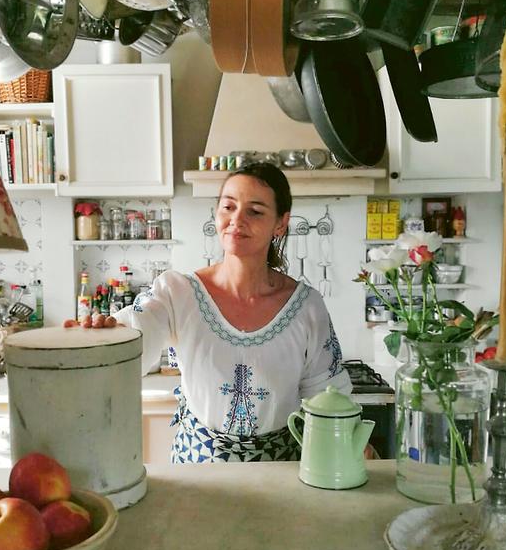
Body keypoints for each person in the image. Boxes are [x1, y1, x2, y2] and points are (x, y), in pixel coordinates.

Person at [108, 162, 351, 463]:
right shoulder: (177, 292)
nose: (237, 219)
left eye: (255, 211)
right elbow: (133, 339)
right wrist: (100, 334)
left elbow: (327, 398)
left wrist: (348, 444)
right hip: (196, 472)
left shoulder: (306, 307)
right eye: (229, 207)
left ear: (280, 223)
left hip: (280, 473)